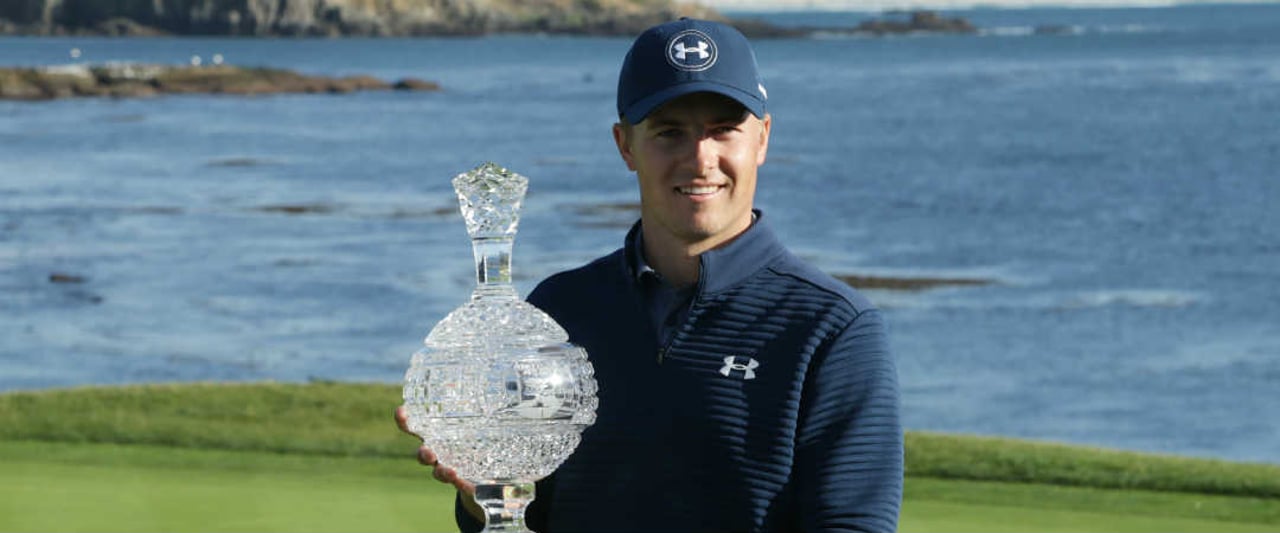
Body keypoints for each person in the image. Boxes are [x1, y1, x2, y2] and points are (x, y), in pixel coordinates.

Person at [395, 17, 903, 532]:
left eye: (724, 130)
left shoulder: (833, 328)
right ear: (625, 145)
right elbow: (529, 516)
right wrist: (486, 500)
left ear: (762, 140)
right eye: (669, 133)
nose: (701, 159)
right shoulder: (559, 311)